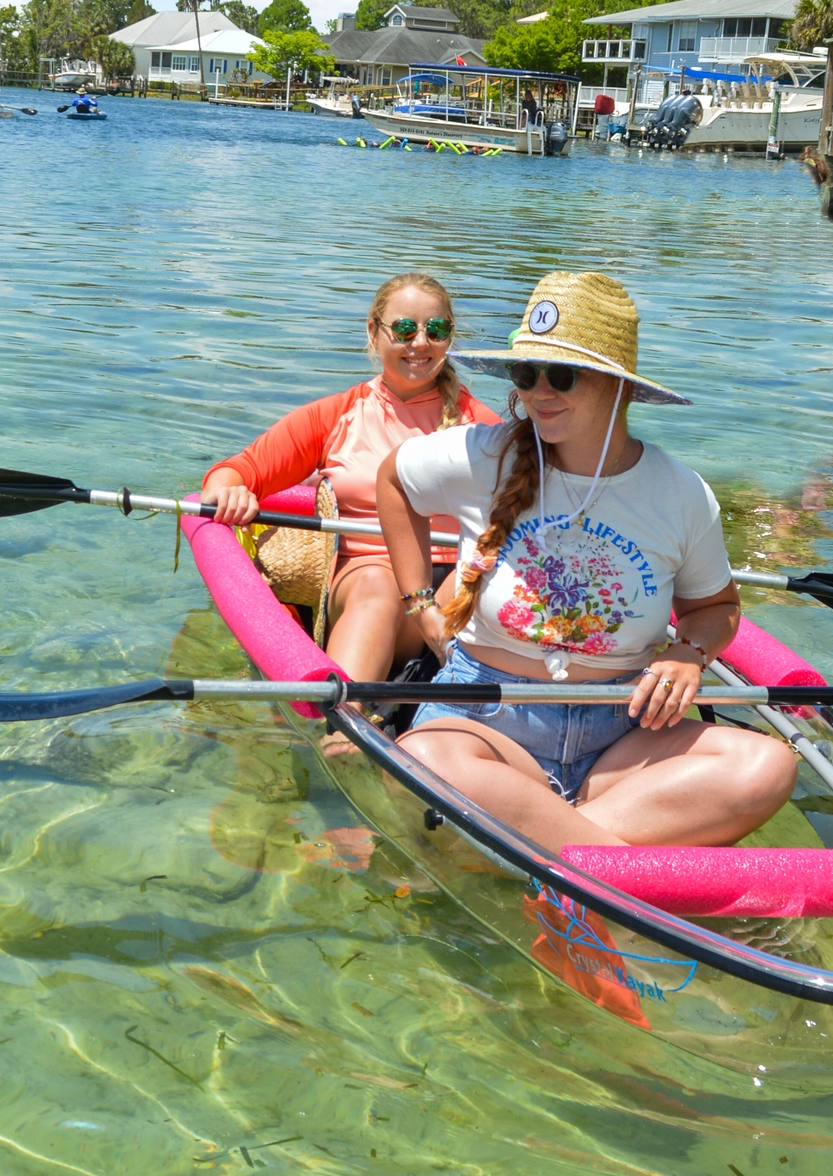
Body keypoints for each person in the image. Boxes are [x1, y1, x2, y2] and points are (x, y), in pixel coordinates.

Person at [376, 269, 797, 850]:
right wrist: (421, 602)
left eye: (563, 375)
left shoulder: (680, 492)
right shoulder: (481, 456)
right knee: (426, 759)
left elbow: (717, 607)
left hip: (624, 732)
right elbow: (393, 481)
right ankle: (610, 868)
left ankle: (548, 849)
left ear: (617, 385)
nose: (539, 392)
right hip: (485, 722)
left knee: (769, 766)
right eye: (527, 374)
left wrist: (688, 654)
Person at [201, 272, 498, 680]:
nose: (420, 343)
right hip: (365, 577)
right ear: (374, 332)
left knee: (473, 591)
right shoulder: (335, 415)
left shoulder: (482, 426)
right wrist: (231, 493)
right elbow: (235, 472)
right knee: (378, 586)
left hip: (452, 584)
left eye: (437, 329)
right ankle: (343, 728)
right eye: (406, 329)